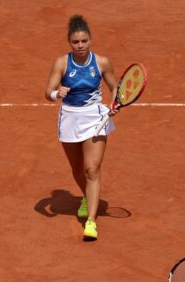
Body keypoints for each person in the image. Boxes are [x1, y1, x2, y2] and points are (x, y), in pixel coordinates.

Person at [45, 15, 118, 240]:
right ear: (70, 42)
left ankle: (91, 222)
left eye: (84, 41)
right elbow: (48, 92)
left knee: (91, 169)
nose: (80, 46)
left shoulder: (102, 62)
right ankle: (86, 197)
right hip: (69, 118)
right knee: (77, 169)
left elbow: (115, 87)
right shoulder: (62, 63)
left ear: (90, 40)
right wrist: (58, 93)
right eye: (76, 42)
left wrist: (115, 104)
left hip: (95, 118)